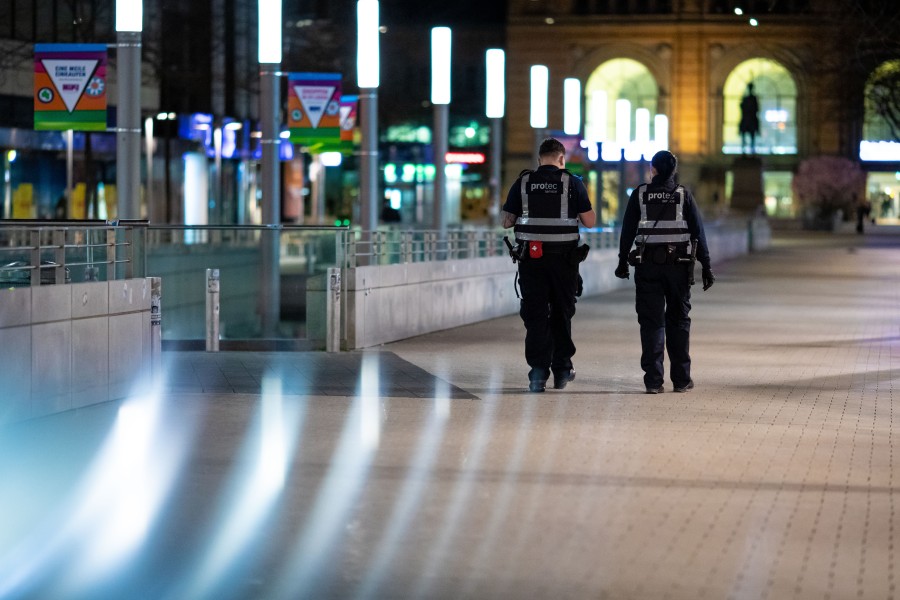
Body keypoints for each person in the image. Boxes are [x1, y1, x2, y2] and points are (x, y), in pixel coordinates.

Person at [614, 150, 714, 394]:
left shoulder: (639, 195)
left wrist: (622, 262)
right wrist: (707, 266)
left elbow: (627, 230)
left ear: (654, 170)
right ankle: (681, 379)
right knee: (679, 321)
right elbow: (698, 233)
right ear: (674, 170)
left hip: (648, 267)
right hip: (678, 267)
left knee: (651, 323)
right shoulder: (683, 195)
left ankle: (653, 381)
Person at [501, 138, 596, 393]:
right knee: (562, 313)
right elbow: (589, 221)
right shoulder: (573, 183)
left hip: (532, 262)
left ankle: (538, 374)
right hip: (564, 262)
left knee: (535, 315)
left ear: (539, 158)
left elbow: (506, 222)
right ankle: (562, 370)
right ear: (562, 158)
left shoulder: (522, 183)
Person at [739, 83, 760, 154]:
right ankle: (744, 151)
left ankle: (752, 151)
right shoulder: (746, 98)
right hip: (747, 118)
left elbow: (757, 109)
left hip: (751, 118)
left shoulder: (753, 98)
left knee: (752, 136)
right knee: (744, 135)